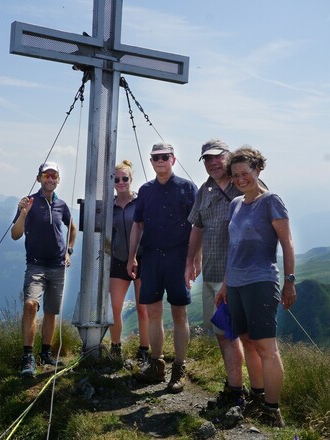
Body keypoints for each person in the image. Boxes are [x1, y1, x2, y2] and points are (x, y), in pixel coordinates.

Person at [216, 146, 296, 427]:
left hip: (261, 282)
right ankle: (258, 395)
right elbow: (234, 247)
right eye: (235, 174)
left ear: (258, 170)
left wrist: (289, 282)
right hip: (236, 284)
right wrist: (225, 284)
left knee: (266, 347)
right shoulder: (235, 204)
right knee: (248, 342)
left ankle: (273, 410)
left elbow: (286, 243)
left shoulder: (271, 201)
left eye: (245, 172)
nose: (240, 179)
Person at [127, 142, 197, 393]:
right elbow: (138, 225)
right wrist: (131, 256)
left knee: (179, 314)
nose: (160, 161)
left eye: (164, 157)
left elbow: (197, 227)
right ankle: (157, 365)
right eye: (155, 157)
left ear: (173, 160)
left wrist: (194, 260)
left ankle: (178, 367)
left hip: (178, 257)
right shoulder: (146, 191)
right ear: (151, 161)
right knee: (153, 313)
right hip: (152, 257)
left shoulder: (188, 188)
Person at [184, 139, 247, 407]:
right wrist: (190, 261)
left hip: (234, 274)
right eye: (207, 159)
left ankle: (239, 390)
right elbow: (197, 226)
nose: (212, 163)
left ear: (228, 156)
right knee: (221, 332)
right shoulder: (205, 189)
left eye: (217, 157)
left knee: (233, 332)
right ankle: (235, 387)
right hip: (210, 272)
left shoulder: (243, 185)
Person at [11, 161, 77, 379]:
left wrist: (69, 251)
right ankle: (27, 357)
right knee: (31, 305)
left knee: (51, 311)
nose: (50, 179)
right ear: (39, 178)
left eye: (54, 175)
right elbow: (15, 234)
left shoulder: (62, 205)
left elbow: (72, 227)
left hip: (58, 265)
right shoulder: (29, 203)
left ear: (58, 180)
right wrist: (22, 213)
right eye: (46, 175)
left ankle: (46, 353)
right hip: (36, 264)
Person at [109, 159, 150, 364]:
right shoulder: (110, 206)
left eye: (125, 178)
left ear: (131, 179)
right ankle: (115, 348)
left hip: (142, 259)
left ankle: (144, 350)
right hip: (118, 259)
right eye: (116, 179)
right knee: (114, 307)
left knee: (143, 307)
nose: (121, 182)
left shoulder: (140, 202)